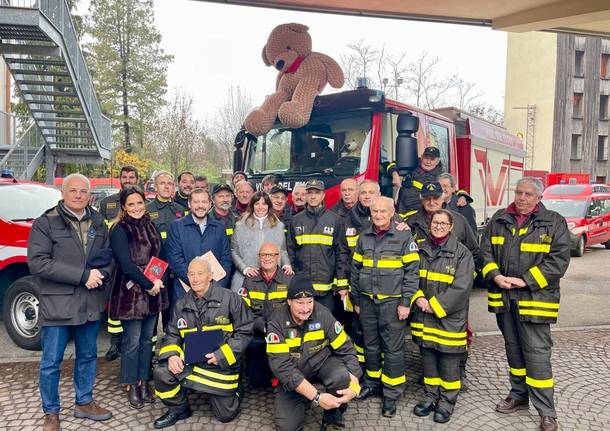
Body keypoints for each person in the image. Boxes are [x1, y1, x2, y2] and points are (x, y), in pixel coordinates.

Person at [480, 177, 570, 431]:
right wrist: (495, 275)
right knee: (514, 351)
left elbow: (559, 261)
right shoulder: (499, 219)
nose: (521, 197)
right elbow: (485, 252)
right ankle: (519, 395)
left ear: (539, 197)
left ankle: (546, 411)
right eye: (519, 192)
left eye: (528, 194)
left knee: (537, 356)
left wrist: (525, 281)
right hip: (505, 298)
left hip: (535, 301)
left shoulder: (553, 222)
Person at [28, 173, 113, 431]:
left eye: (83, 191)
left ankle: (84, 402)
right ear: (63, 193)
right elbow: (38, 263)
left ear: (90, 195)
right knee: (51, 361)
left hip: (89, 301)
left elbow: (109, 257)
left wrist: (103, 275)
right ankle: (51, 412)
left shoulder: (99, 221)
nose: (78, 195)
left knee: (87, 355)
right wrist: (83, 276)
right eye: (73, 190)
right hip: (58, 303)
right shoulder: (46, 223)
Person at [153, 258, 253, 428]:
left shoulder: (231, 299)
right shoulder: (181, 304)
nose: (195, 278)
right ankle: (179, 410)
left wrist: (222, 355)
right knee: (161, 371)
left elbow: (245, 332)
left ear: (210, 275)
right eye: (191, 274)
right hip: (192, 361)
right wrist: (172, 355)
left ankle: (235, 388)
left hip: (221, 364)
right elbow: (172, 334)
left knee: (226, 416)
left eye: (200, 273)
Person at [404, 181, 480, 389]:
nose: (431, 202)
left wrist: (463, 282)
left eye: (435, 198)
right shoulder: (410, 223)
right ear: (422, 199)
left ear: (444, 198)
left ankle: (458, 373)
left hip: (452, 294)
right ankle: (430, 376)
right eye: (427, 198)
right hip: (424, 293)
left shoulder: (460, 221)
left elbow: (474, 252)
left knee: (458, 334)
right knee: (426, 335)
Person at [350, 197, 419, 417]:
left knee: (393, 350)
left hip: (392, 303)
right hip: (367, 302)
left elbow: (412, 273)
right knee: (370, 346)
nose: (378, 215)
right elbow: (355, 269)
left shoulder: (403, 236)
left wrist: (405, 302)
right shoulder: (365, 235)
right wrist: (356, 300)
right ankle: (372, 383)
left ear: (392, 212)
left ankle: (391, 393)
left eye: (382, 211)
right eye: (375, 211)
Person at [266, 273, 362, 431]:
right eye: (300, 303)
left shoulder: (323, 314)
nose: (305, 309)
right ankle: (304, 396)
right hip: (293, 374)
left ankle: (333, 420)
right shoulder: (276, 322)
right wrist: (316, 397)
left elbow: (346, 348)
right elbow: (283, 368)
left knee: (341, 376)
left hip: (321, 364)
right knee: (287, 427)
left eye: (309, 302)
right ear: (289, 301)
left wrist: (355, 382)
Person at [411, 209, 474, 424]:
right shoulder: (420, 249)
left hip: (448, 319)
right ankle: (430, 397)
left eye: (442, 223)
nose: (438, 226)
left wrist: (434, 305)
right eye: (435, 222)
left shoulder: (462, 253)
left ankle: (446, 403)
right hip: (424, 316)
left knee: (448, 364)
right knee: (428, 362)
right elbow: (411, 278)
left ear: (450, 226)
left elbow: (462, 287)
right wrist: (419, 298)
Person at [109, 186, 168, 409]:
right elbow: (126, 265)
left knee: (147, 341)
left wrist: (157, 281)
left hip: (153, 292)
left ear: (145, 203)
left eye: (139, 203)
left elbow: (159, 256)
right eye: (131, 204)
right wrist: (149, 284)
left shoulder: (150, 224)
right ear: (124, 207)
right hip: (130, 294)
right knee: (131, 342)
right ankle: (131, 383)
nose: (136, 208)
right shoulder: (119, 229)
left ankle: (144, 380)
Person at [287, 179, 347, 313]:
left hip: (327, 291)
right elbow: (290, 252)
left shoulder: (335, 220)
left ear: (323, 195)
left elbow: (341, 254)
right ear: (305, 195)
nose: (313, 196)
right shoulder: (296, 221)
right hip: (303, 288)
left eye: (317, 193)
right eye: (310, 193)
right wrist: (294, 280)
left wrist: (342, 283)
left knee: (325, 327)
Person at [100, 165, 140, 361]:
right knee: (114, 302)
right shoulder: (107, 203)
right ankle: (114, 343)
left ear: (137, 179)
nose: (128, 180)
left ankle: (128, 342)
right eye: (124, 177)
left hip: (133, 260)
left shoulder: (142, 203)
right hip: (113, 261)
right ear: (119, 179)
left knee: (132, 302)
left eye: (132, 177)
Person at [239, 242, 292, 387]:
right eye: (263, 255)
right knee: (258, 380)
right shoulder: (250, 280)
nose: (267, 258)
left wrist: (276, 327)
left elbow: (295, 311)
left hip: (283, 334)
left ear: (278, 257)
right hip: (259, 335)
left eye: (271, 255)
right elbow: (243, 312)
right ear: (259, 257)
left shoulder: (288, 279)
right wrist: (262, 325)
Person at [166, 188, 232, 305]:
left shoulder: (219, 227)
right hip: (184, 292)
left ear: (210, 204)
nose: (200, 206)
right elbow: (175, 260)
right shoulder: (177, 227)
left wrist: (214, 287)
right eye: (196, 202)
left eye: (204, 202)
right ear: (189, 204)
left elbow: (226, 259)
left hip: (213, 292)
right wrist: (198, 283)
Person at [230, 191, 292, 292]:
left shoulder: (278, 226)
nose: (260, 207)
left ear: (268, 206)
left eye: (264, 204)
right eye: (257, 204)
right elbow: (234, 251)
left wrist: (286, 264)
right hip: (246, 278)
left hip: (271, 278)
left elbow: (282, 250)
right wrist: (245, 269)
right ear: (252, 206)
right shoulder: (241, 225)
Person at [388, 146, 445, 218]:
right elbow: (391, 164)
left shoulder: (441, 176)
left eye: (432, 159)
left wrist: (462, 196)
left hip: (420, 217)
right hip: (401, 213)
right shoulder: (411, 164)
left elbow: (450, 190)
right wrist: (394, 174)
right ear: (421, 157)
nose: (428, 162)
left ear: (437, 161)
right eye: (426, 158)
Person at [146, 171, 187, 243]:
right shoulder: (146, 210)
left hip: (176, 253)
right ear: (155, 187)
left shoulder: (181, 209)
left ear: (173, 187)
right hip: (155, 253)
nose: (166, 187)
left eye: (169, 184)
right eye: (162, 183)